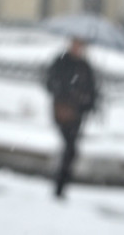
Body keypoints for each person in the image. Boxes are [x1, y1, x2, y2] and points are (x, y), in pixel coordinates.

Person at [45, 36, 98, 199]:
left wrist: (88, 101)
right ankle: (60, 184)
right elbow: (51, 83)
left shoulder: (85, 66)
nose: (78, 48)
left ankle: (62, 183)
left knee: (71, 149)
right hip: (62, 111)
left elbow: (92, 90)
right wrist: (67, 93)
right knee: (70, 147)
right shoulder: (61, 62)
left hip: (77, 113)